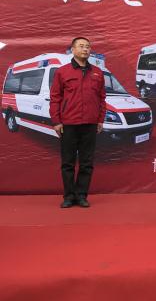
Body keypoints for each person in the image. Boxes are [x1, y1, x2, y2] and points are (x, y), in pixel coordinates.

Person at [50, 37, 106, 209]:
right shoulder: (62, 72)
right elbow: (55, 98)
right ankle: (68, 196)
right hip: (69, 124)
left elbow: (102, 98)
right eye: (81, 46)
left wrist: (100, 119)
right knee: (68, 163)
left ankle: (81, 195)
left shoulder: (97, 72)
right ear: (72, 50)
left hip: (90, 123)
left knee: (86, 163)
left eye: (88, 46)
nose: (85, 49)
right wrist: (56, 121)